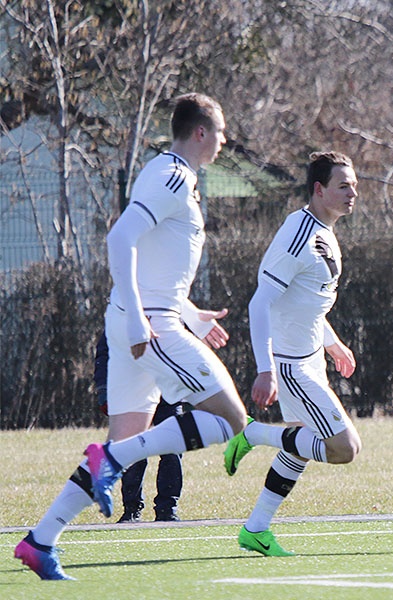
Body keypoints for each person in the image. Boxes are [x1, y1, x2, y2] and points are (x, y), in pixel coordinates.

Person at [14, 93, 248, 580]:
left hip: (135, 320)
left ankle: (40, 541)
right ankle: (110, 460)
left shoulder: (167, 173)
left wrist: (190, 312)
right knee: (230, 418)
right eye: (221, 132)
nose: (226, 141)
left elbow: (151, 258)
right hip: (147, 326)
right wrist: (146, 320)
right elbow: (119, 239)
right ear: (201, 133)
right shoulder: (174, 175)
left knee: (127, 438)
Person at [222, 151, 362, 557]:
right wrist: (267, 369)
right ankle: (252, 433)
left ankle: (256, 530)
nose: (352, 193)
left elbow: (307, 303)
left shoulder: (325, 230)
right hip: (290, 365)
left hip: (310, 358)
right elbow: (259, 303)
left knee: (298, 446)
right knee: (344, 448)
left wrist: (331, 342)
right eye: (343, 186)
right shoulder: (299, 234)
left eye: (354, 185)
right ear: (319, 190)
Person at [93, 333, 184, 522]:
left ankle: (168, 509)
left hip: (169, 392)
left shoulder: (173, 312)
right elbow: (104, 353)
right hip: (134, 392)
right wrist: (104, 390)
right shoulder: (124, 312)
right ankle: (132, 510)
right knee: (134, 450)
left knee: (172, 449)